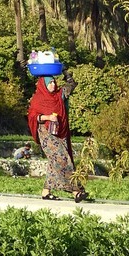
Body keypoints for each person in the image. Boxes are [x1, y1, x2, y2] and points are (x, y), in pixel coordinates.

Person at [28, 73, 88, 202]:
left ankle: (46, 192)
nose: (53, 85)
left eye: (54, 82)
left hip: (61, 133)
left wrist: (67, 75)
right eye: (50, 83)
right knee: (63, 160)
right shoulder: (38, 99)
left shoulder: (59, 95)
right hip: (46, 134)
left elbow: (71, 86)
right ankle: (76, 191)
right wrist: (48, 117)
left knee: (54, 162)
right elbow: (33, 116)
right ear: (43, 85)